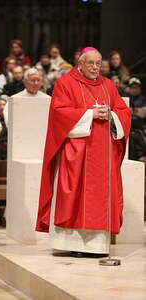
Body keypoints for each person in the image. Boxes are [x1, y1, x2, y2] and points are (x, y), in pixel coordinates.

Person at [36, 47, 131, 257]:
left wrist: (112, 114)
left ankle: (97, 247)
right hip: (76, 153)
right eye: (91, 63)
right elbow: (59, 114)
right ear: (80, 64)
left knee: (100, 198)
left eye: (98, 63)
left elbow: (125, 112)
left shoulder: (108, 85)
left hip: (102, 156)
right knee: (75, 197)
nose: (96, 67)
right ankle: (74, 245)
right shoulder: (65, 83)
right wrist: (90, 114)